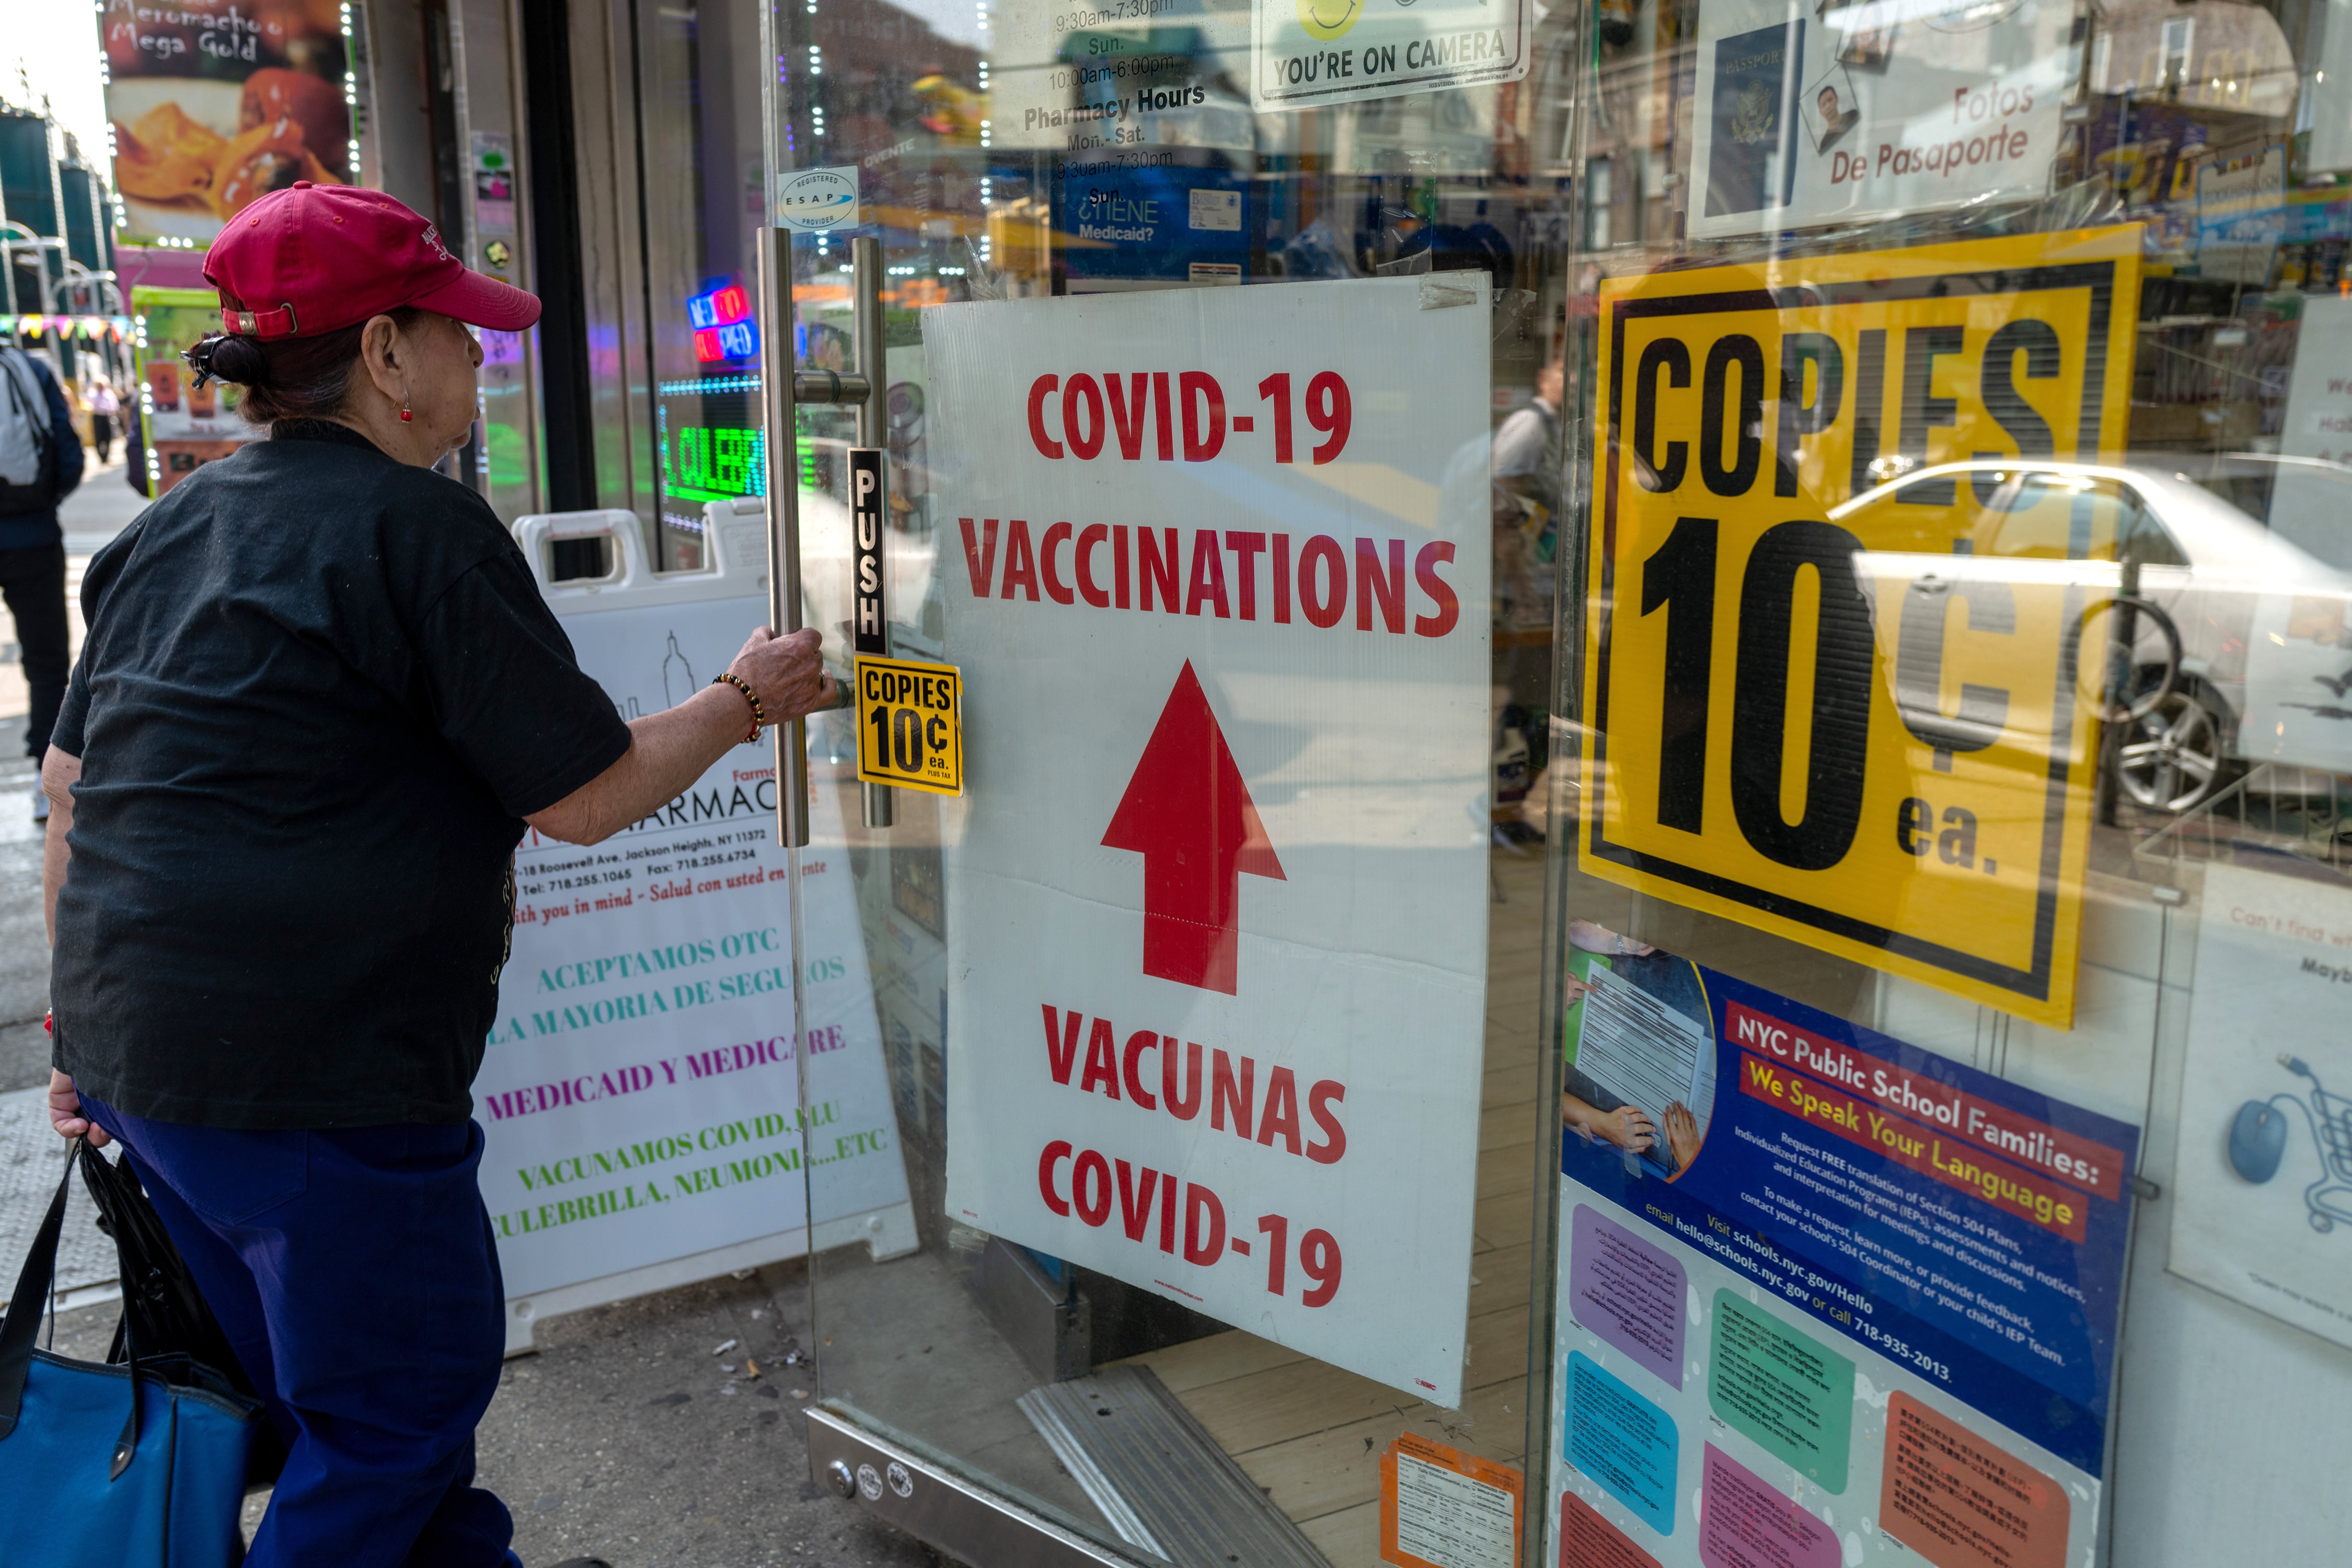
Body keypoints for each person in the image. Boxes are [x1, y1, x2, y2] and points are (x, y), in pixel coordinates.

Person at [40, 181, 835, 1568]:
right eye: (459, 333)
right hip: (312, 1081)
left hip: (140, 1058)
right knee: (394, 1422)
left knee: (324, 1392)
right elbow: (586, 795)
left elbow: (70, 794)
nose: (484, 359)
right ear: (383, 355)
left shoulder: (171, 527)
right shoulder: (418, 528)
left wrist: (75, 1025)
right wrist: (743, 697)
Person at [0, 336, 84, 821]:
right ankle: (43, 776)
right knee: (47, 659)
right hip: (31, 536)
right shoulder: (30, 369)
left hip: (31, 529)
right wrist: (40, 504)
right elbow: (67, 452)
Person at [88, 377, 120, 463]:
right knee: (98, 437)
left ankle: (106, 457)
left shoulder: (109, 394)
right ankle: (101, 457)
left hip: (107, 417)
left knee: (108, 437)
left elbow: (114, 405)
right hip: (97, 417)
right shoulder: (93, 394)